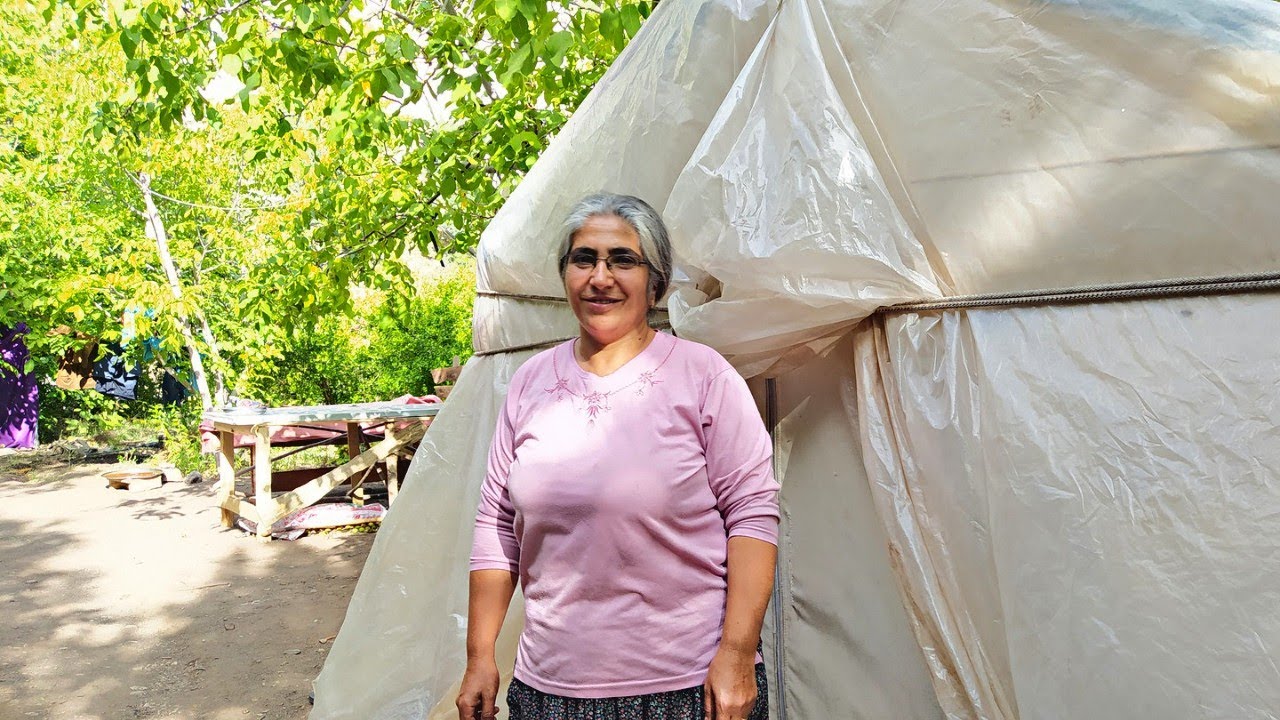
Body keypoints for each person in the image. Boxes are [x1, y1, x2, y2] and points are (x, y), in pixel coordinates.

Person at [458, 193, 780, 720]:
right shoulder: (529, 384)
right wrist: (479, 658)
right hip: (550, 690)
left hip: (688, 687)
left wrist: (738, 654)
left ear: (655, 280)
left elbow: (752, 517)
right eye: (583, 259)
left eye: (622, 260)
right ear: (564, 274)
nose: (600, 277)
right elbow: (496, 526)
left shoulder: (703, 376)